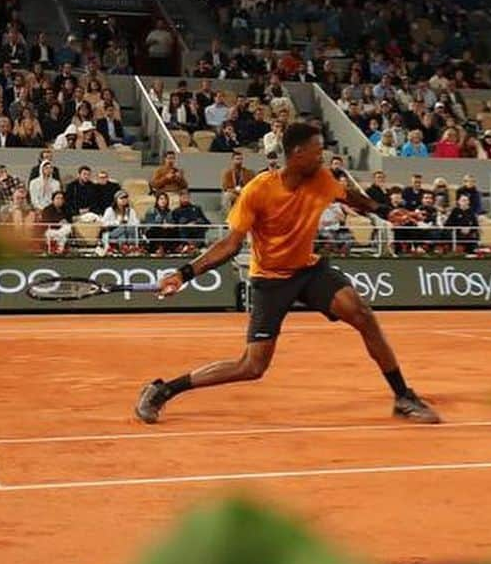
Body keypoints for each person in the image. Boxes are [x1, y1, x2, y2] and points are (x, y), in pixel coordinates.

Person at [135, 121, 440, 425]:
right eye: (317, 152)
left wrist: (386, 211)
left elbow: (349, 197)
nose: (322, 158)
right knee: (252, 366)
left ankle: (403, 396)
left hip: (309, 270)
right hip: (270, 280)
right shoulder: (258, 190)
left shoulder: (321, 178)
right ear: (297, 154)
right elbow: (229, 245)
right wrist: (183, 273)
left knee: (362, 315)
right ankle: (163, 390)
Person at [171, 188, 210, 252]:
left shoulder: (197, 209)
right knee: (181, 225)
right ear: (180, 198)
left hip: (197, 237)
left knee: (200, 223)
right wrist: (186, 225)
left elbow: (207, 223)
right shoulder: (176, 211)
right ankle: (186, 246)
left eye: (187, 197)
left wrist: (196, 223)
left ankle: (196, 247)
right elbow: (174, 226)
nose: (185, 199)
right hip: (183, 238)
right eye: (183, 197)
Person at [143, 191, 176, 256]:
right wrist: (161, 225)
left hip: (166, 230)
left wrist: (170, 225)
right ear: (157, 200)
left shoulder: (169, 212)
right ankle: (159, 249)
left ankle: (165, 249)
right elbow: (149, 224)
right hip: (153, 230)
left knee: (172, 231)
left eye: (165, 199)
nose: (163, 201)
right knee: (158, 230)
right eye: (161, 199)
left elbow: (172, 223)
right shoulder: (151, 211)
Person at [39, 190, 72, 255]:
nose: (59, 200)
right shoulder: (47, 209)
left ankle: (59, 250)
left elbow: (70, 220)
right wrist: (59, 222)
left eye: (61, 198)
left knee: (68, 227)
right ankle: (59, 249)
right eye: (57, 198)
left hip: (61, 231)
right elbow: (46, 221)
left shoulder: (66, 209)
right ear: (53, 200)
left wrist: (65, 221)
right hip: (51, 231)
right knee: (62, 236)